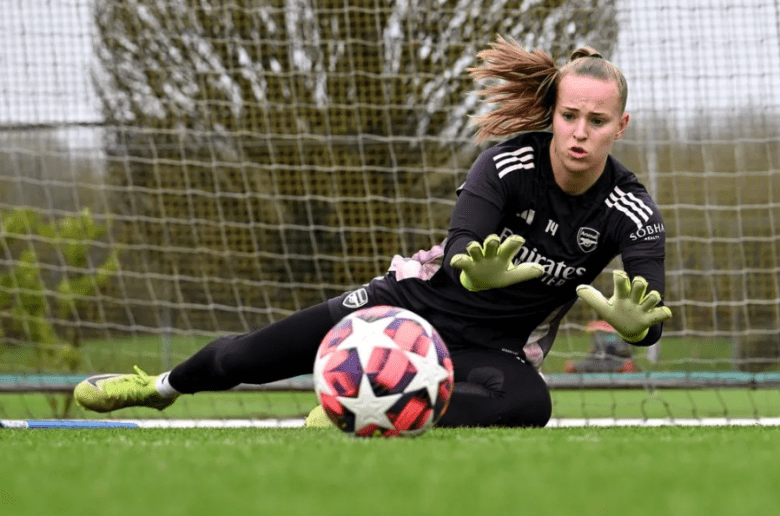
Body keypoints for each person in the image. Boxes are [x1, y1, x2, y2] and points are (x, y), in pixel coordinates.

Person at [74, 36, 672, 428]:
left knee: (530, 404)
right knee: (248, 355)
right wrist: (474, 271)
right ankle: (159, 387)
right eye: (569, 116)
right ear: (553, 114)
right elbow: (461, 247)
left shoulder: (632, 209)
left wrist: (636, 326)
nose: (579, 132)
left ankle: (353, 416)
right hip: (407, 309)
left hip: (495, 349)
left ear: (620, 125)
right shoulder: (506, 163)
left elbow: (650, 314)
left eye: (597, 121)